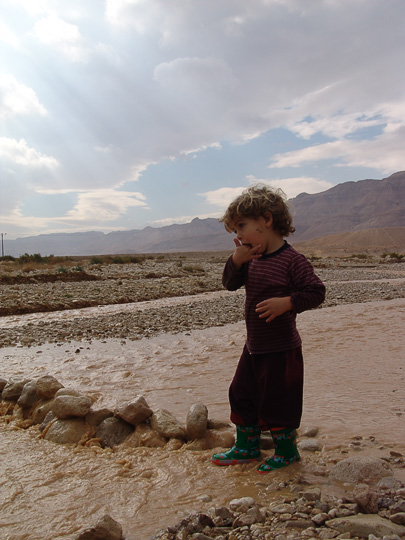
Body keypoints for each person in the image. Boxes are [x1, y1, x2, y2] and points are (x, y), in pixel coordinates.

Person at [211, 184, 325, 473]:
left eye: (241, 226)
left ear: (266, 219)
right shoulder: (250, 258)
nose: (238, 236)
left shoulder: (292, 260)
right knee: (241, 392)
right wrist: (236, 261)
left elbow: (316, 291)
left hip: (282, 348)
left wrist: (287, 302)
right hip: (254, 347)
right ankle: (247, 447)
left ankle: (287, 452)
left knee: (279, 401)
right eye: (235, 230)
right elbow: (229, 284)